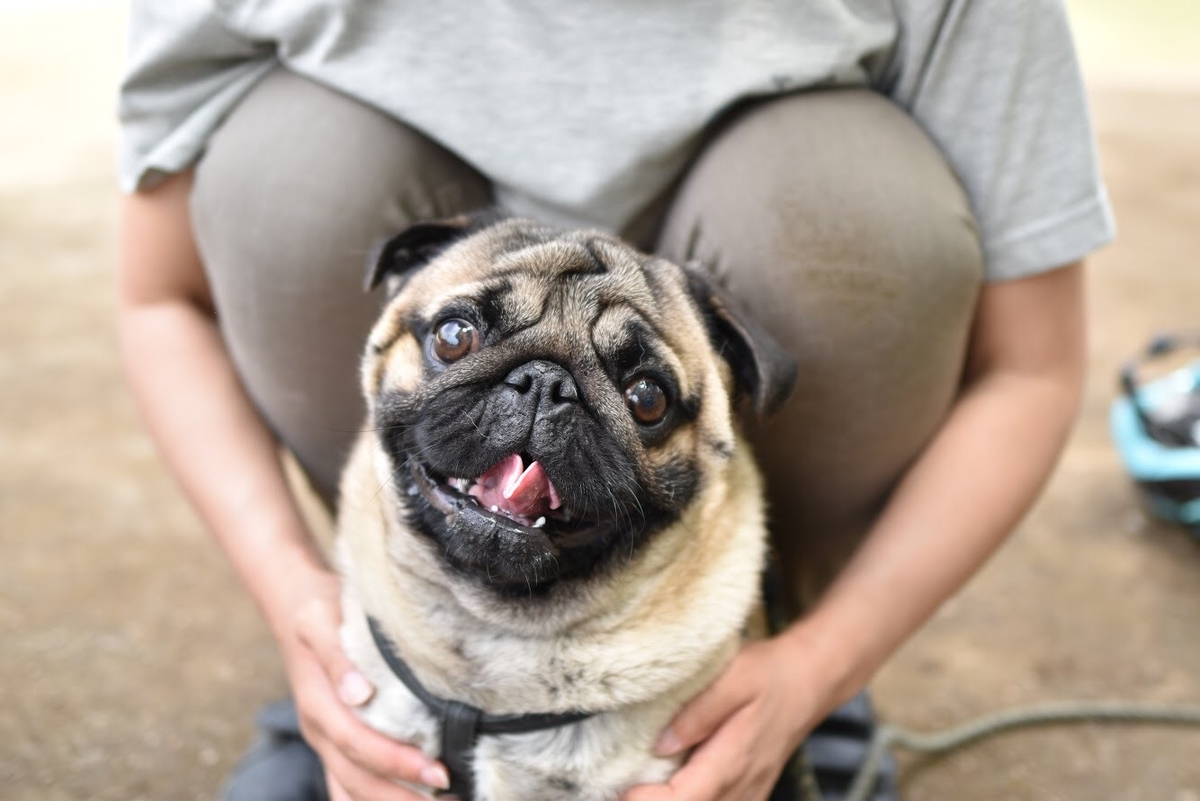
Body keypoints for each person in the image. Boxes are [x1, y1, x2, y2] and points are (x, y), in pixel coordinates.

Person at [114, 1, 1114, 799]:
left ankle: (754, 669)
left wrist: (820, 664)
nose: (541, 397)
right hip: (380, 516)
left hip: (739, 502)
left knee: (850, 214)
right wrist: (301, 598)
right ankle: (379, 659)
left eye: (632, 393)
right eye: (465, 339)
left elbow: (1030, 369)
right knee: (288, 171)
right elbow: (159, 295)